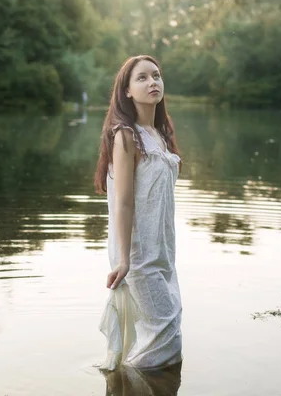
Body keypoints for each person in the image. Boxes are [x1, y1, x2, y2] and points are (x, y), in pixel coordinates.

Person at [94, 55, 183, 371]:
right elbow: (124, 202)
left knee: (165, 334)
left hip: (163, 251)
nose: (153, 82)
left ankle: (129, 381)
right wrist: (124, 260)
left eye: (156, 76)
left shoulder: (160, 134)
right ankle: (130, 384)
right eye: (142, 78)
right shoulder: (126, 135)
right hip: (137, 254)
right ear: (127, 91)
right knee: (167, 336)